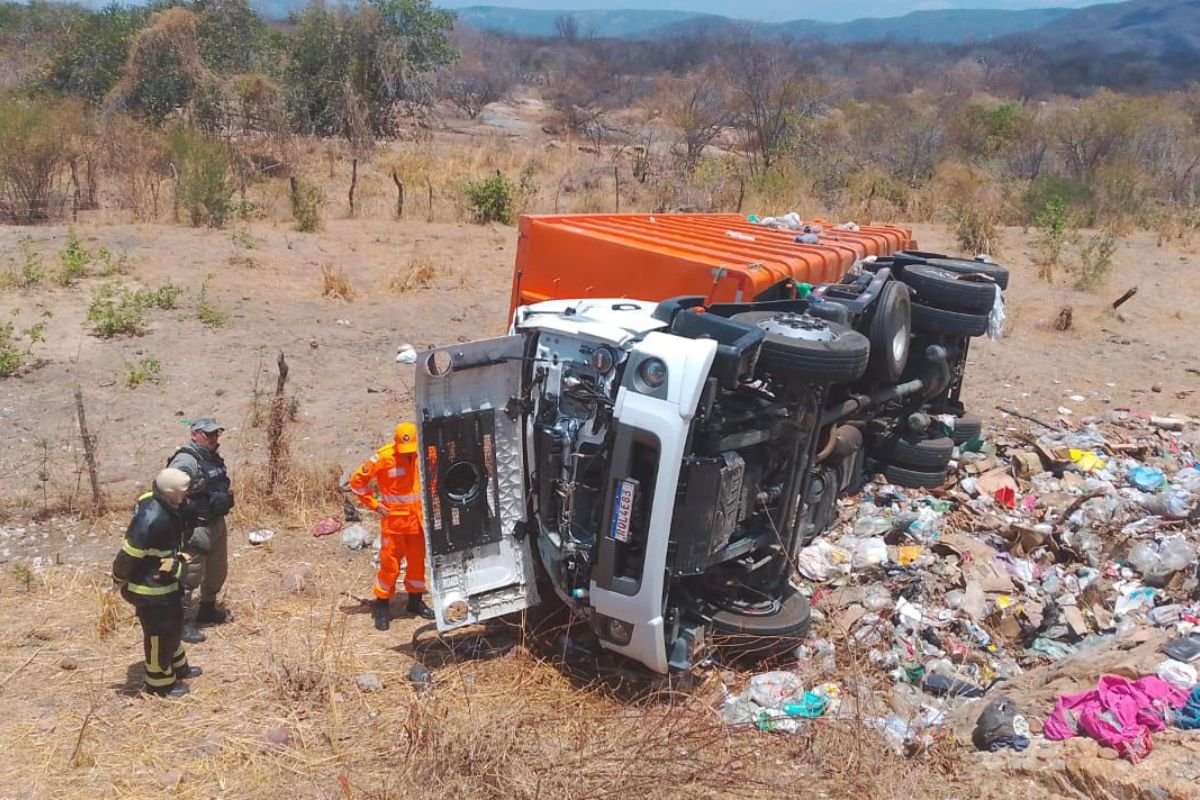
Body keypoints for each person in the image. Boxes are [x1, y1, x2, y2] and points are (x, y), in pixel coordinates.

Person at [112, 468, 205, 697]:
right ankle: (160, 684)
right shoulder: (151, 518)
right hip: (150, 589)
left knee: (173, 626)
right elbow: (128, 555)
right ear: (172, 493)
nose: (187, 495)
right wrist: (118, 578)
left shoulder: (167, 504)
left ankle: (178, 668)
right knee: (158, 635)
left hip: (166, 583)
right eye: (184, 492)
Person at [348, 421, 435, 629]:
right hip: (394, 524)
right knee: (389, 567)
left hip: (417, 524)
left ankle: (415, 603)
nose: (408, 454)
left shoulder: (426, 453)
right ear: (396, 444)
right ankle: (382, 606)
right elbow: (356, 482)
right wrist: (375, 505)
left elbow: (436, 476)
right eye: (404, 451)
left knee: (416, 564)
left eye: (411, 450)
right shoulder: (384, 457)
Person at [168, 416, 235, 633]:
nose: (213, 437)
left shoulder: (212, 458)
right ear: (195, 434)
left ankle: (207, 608)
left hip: (216, 523)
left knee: (217, 570)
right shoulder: (186, 460)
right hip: (195, 526)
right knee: (189, 574)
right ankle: (180, 621)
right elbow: (168, 489)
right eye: (208, 434)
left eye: (216, 433)